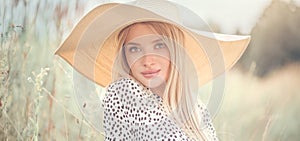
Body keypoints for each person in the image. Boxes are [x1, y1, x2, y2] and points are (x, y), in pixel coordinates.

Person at [55, 0, 250, 140]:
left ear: (175, 52)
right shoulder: (123, 93)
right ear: (125, 57)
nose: (147, 60)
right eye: (134, 49)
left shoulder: (195, 107)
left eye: (159, 45)